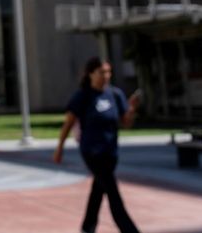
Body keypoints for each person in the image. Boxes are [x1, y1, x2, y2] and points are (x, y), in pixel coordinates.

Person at [53, 57, 140, 233]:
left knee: (99, 189)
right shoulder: (83, 96)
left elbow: (126, 123)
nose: (106, 76)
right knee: (113, 193)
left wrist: (131, 110)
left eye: (108, 72)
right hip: (91, 151)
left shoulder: (115, 95)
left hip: (111, 152)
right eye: (102, 72)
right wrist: (59, 148)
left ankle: (87, 227)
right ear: (91, 74)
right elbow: (68, 123)